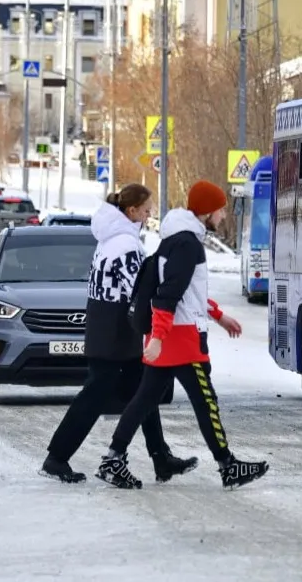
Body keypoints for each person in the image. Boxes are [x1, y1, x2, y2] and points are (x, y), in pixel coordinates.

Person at [96, 180, 269, 491]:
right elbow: (167, 296)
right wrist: (160, 337)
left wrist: (218, 316)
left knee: (143, 401)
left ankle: (113, 458)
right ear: (206, 211)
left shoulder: (177, 240)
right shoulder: (187, 244)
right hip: (181, 339)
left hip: (172, 335)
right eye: (220, 210)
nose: (222, 216)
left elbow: (188, 293)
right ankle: (228, 465)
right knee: (206, 402)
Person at [40, 183, 185, 483]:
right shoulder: (127, 245)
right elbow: (138, 289)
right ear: (131, 211)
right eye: (146, 211)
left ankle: (161, 458)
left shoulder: (109, 239)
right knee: (95, 396)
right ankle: (56, 458)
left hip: (105, 324)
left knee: (142, 393)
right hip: (116, 331)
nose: (148, 217)